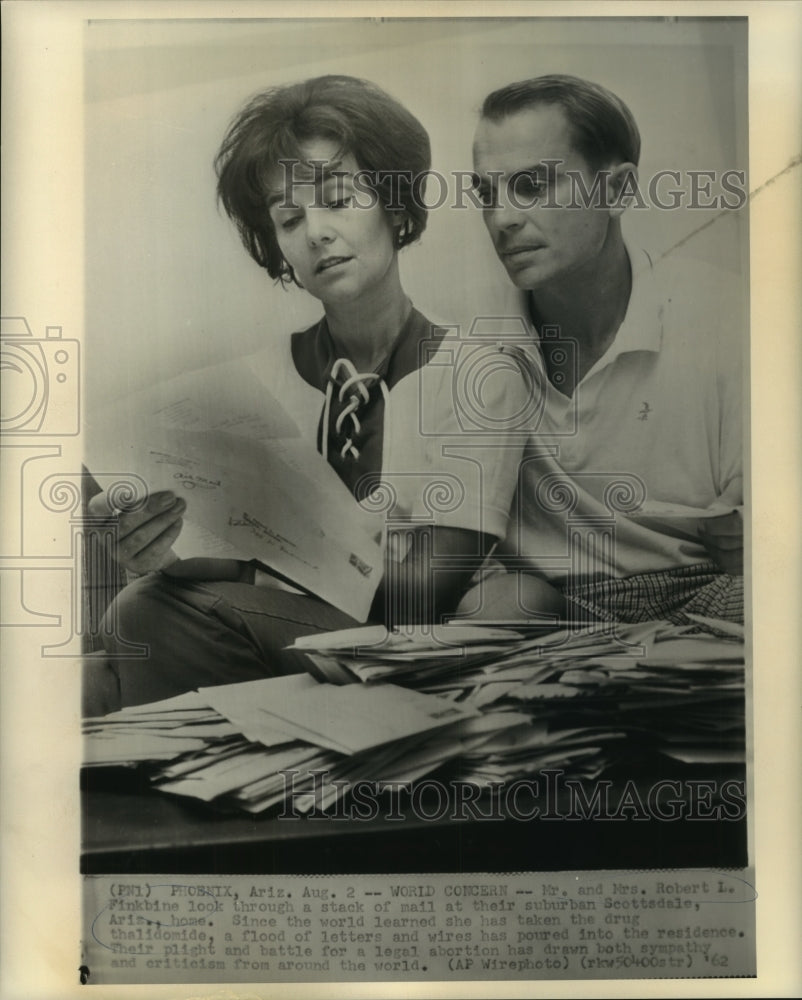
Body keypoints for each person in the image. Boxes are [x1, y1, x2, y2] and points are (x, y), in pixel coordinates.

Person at [86, 75, 515, 711]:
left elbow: (422, 596)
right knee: (137, 608)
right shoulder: (253, 382)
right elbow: (229, 564)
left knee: (145, 615)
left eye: (339, 200)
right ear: (278, 246)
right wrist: (159, 549)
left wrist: (254, 565)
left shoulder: (483, 377)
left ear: (396, 207)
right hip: (274, 638)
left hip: (412, 650)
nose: (315, 232)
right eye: (289, 218)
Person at [419, 74, 744, 625]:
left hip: (700, 592)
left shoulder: (726, 319)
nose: (501, 219)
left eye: (532, 186)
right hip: (547, 608)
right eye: (487, 194)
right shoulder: (474, 341)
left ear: (616, 191)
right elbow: (449, 549)